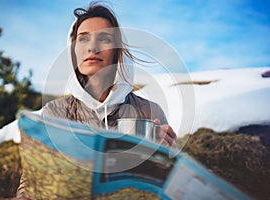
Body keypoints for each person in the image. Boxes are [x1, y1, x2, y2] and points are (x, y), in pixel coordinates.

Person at [16, 2, 176, 199]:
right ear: (73, 51)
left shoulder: (149, 112)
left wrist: (164, 157)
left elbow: (167, 188)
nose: (92, 47)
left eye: (105, 38)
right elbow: (31, 183)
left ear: (118, 50)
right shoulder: (55, 112)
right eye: (83, 39)